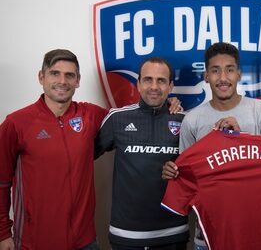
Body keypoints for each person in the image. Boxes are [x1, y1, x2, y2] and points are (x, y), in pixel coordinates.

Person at [162, 42, 261, 250]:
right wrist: (174, 172)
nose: (223, 78)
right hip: (208, 236)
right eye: (215, 71)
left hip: (256, 233)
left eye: (229, 69)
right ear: (206, 76)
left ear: (239, 74)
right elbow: (188, 178)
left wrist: (239, 138)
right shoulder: (192, 119)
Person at [0, 49, 108, 250]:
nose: (63, 81)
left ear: (78, 80)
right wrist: (3, 233)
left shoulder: (90, 114)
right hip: (36, 242)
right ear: (41, 77)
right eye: (55, 73)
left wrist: (168, 106)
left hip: (85, 242)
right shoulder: (16, 123)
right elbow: (1, 182)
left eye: (70, 75)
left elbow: (131, 118)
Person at [94, 57, 189, 250]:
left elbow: (199, 170)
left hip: (173, 233)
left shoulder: (185, 121)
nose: (154, 86)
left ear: (170, 86)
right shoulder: (118, 118)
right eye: (148, 79)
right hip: (126, 235)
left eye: (161, 81)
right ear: (138, 84)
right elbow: (81, 156)